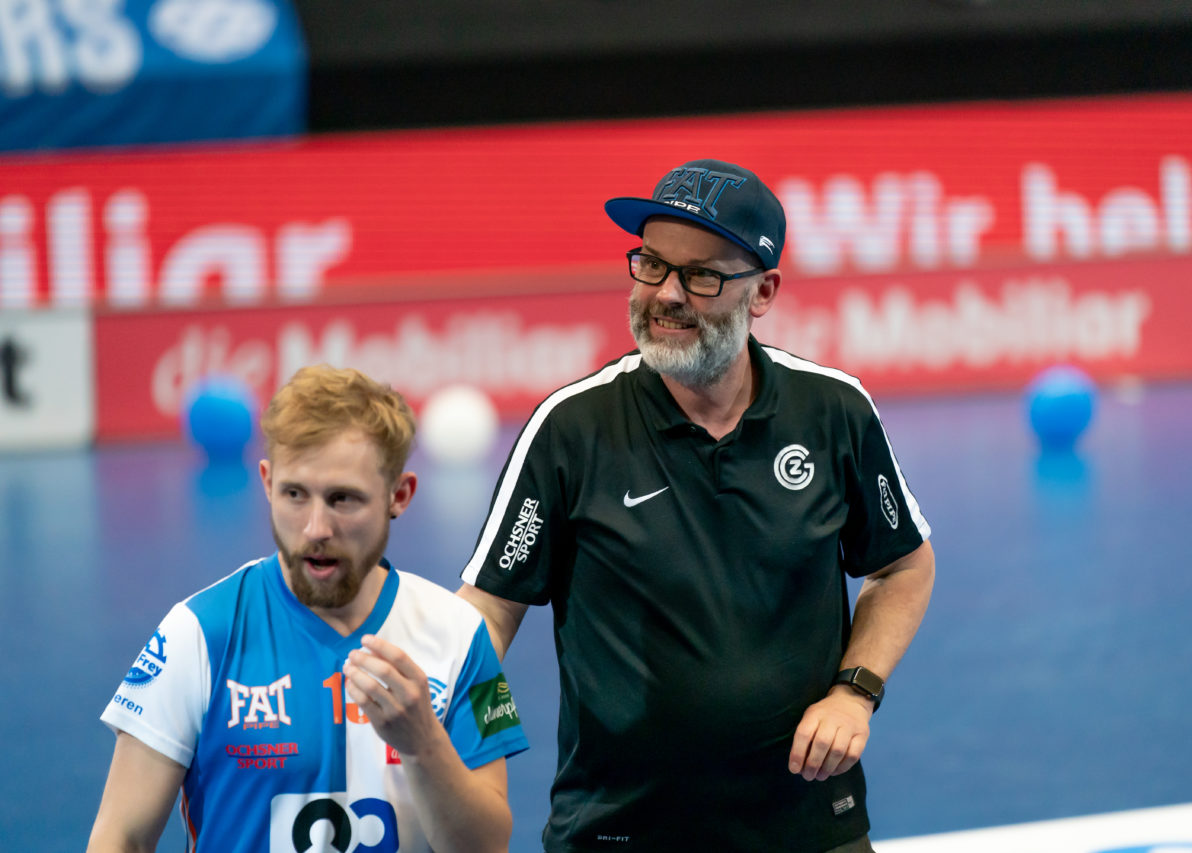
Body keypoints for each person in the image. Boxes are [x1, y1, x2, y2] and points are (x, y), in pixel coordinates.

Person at [458, 158, 936, 852]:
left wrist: (854, 691)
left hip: (809, 826)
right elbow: (486, 614)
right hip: (620, 829)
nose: (667, 294)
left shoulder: (834, 411)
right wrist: (471, 736)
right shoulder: (570, 429)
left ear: (764, 290)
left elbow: (903, 567)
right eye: (651, 264)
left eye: (701, 275)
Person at [89, 365, 528, 853]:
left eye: (343, 499)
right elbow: (120, 836)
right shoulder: (198, 633)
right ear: (266, 482)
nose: (316, 527)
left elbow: (487, 847)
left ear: (398, 496)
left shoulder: (459, 634)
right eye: (295, 494)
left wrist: (423, 744)